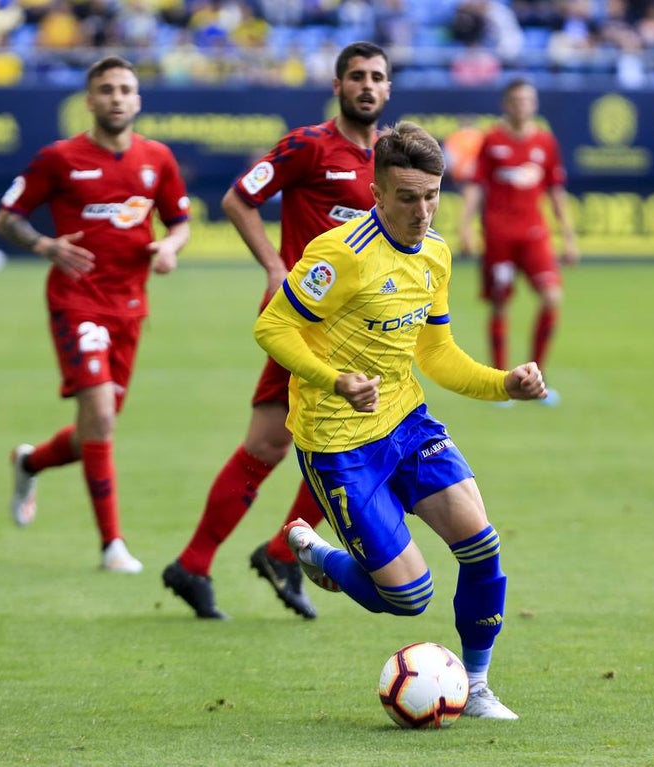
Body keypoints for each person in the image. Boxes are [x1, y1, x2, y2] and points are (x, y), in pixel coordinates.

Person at [255, 121, 548, 720]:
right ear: (377, 194)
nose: (422, 211)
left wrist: (504, 385)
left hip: (406, 424)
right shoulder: (341, 254)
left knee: (482, 546)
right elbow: (273, 326)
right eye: (408, 198)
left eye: (432, 196)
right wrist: (334, 379)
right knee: (409, 597)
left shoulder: (435, 253)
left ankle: (476, 686)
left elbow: (436, 354)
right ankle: (320, 555)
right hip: (337, 442)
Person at [161, 41, 392, 620]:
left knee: (276, 445)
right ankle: (273, 554)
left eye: (377, 77)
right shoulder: (309, 145)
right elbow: (239, 199)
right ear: (338, 86)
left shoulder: (390, 159)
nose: (367, 85)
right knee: (342, 446)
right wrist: (273, 265)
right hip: (306, 326)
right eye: (357, 76)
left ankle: (205, 562)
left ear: (388, 89)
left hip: (361, 331)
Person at [0, 55, 191, 572]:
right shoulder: (60, 158)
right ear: (90, 100)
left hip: (130, 308)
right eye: (106, 89)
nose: (116, 98)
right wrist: (45, 245)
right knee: (101, 417)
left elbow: (179, 222)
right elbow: (7, 216)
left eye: (125, 89)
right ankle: (112, 546)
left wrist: (170, 248)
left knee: (91, 433)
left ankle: (29, 461)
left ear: (138, 99)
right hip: (76, 301)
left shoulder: (157, 159)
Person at [458, 78, 576, 406]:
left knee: (552, 297)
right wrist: (465, 226)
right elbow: (476, 185)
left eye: (528, 99)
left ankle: (538, 377)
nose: (523, 105)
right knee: (500, 304)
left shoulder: (545, 142)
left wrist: (568, 235)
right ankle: (502, 383)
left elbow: (555, 190)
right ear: (506, 105)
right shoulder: (492, 140)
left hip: (534, 235)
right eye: (517, 100)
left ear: (535, 104)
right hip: (499, 236)